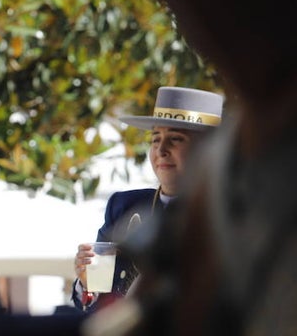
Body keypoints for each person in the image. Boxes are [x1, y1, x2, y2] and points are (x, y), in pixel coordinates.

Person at [72, 86, 223, 310]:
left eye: (175, 139)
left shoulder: (225, 214)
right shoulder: (123, 207)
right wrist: (87, 284)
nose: (161, 149)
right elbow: (99, 303)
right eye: (155, 139)